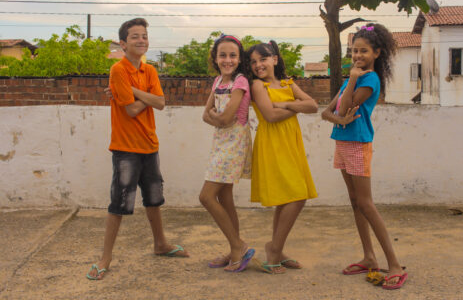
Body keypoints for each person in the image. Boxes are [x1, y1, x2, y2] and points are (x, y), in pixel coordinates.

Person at [87, 18, 188, 281]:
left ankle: (160, 244)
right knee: (119, 203)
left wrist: (133, 90)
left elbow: (162, 103)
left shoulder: (150, 71)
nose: (141, 40)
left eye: (144, 35)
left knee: (154, 199)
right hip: (125, 148)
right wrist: (148, 97)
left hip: (149, 145)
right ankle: (105, 258)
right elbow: (132, 110)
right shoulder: (117, 70)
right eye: (135, 36)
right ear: (123, 43)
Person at [321, 23, 407, 290]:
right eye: (354, 51)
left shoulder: (368, 80)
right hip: (343, 142)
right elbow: (327, 112)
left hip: (358, 143)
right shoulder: (351, 79)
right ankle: (369, 257)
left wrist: (350, 89)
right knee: (355, 202)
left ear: (377, 53)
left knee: (366, 204)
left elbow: (344, 107)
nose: (357, 56)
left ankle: (393, 264)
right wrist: (339, 117)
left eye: (364, 51)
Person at [247, 41, 318, 274]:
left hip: (290, 144)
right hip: (272, 144)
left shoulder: (288, 83)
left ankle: (276, 248)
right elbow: (270, 115)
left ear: (275, 59)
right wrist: (295, 106)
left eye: (263, 59)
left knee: (288, 198)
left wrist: (286, 103)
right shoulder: (257, 86)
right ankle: (274, 250)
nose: (258, 65)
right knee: (297, 196)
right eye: (254, 61)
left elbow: (313, 105)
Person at [198, 34, 254, 272]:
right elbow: (206, 114)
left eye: (232, 55)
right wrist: (217, 119)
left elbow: (225, 117)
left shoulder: (240, 82)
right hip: (220, 142)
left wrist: (217, 118)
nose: (227, 59)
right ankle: (234, 250)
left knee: (206, 197)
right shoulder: (218, 81)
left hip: (234, 144)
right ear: (216, 58)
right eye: (223, 55)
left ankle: (238, 245)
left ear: (239, 59)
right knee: (225, 197)